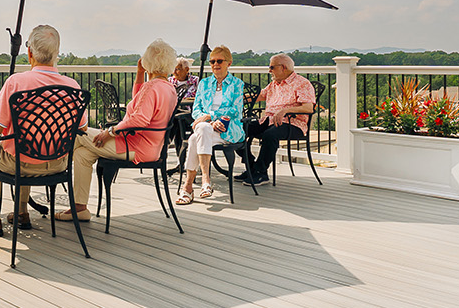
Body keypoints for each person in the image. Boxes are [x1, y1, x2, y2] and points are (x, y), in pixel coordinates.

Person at [0, 24, 85, 236]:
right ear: (57, 53)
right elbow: (83, 127)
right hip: (59, 164)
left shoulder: (17, 82)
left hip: (20, 165)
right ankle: (21, 212)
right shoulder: (73, 87)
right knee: (27, 147)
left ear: (29, 52)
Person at [56, 39, 179, 222]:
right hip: (150, 148)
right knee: (82, 155)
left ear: (149, 61)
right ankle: (79, 208)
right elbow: (139, 102)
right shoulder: (168, 87)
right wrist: (139, 74)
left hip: (134, 146)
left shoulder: (152, 87)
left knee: (77, 134)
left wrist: (110, 132)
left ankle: (45, 163)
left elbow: (139, 118)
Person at [176, 45, 245, 205]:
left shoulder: (237, 84)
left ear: (229, 62)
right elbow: (196, 109)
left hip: (228, 129)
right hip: (207, 128)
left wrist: (211, 116)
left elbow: (235, 109)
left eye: (219, 61)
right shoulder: (204, 83)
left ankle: (189, 187)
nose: (215, 64)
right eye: (212, 61)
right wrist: (208, 121)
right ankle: (204, 181)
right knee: (202, 129)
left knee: (195, 138)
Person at [237, 53, 317, 184]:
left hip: (293, 123)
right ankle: (252, 166)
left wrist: (285, 110)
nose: (269, 70)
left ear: (283, 67)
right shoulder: (274, 84)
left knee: (270, 135)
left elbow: (308, 108)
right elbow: (257, 96)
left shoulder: (302, 83)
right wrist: (234, 98)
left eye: (272, 67)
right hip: (268, 121)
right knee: (237, 130)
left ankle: (261, 172)